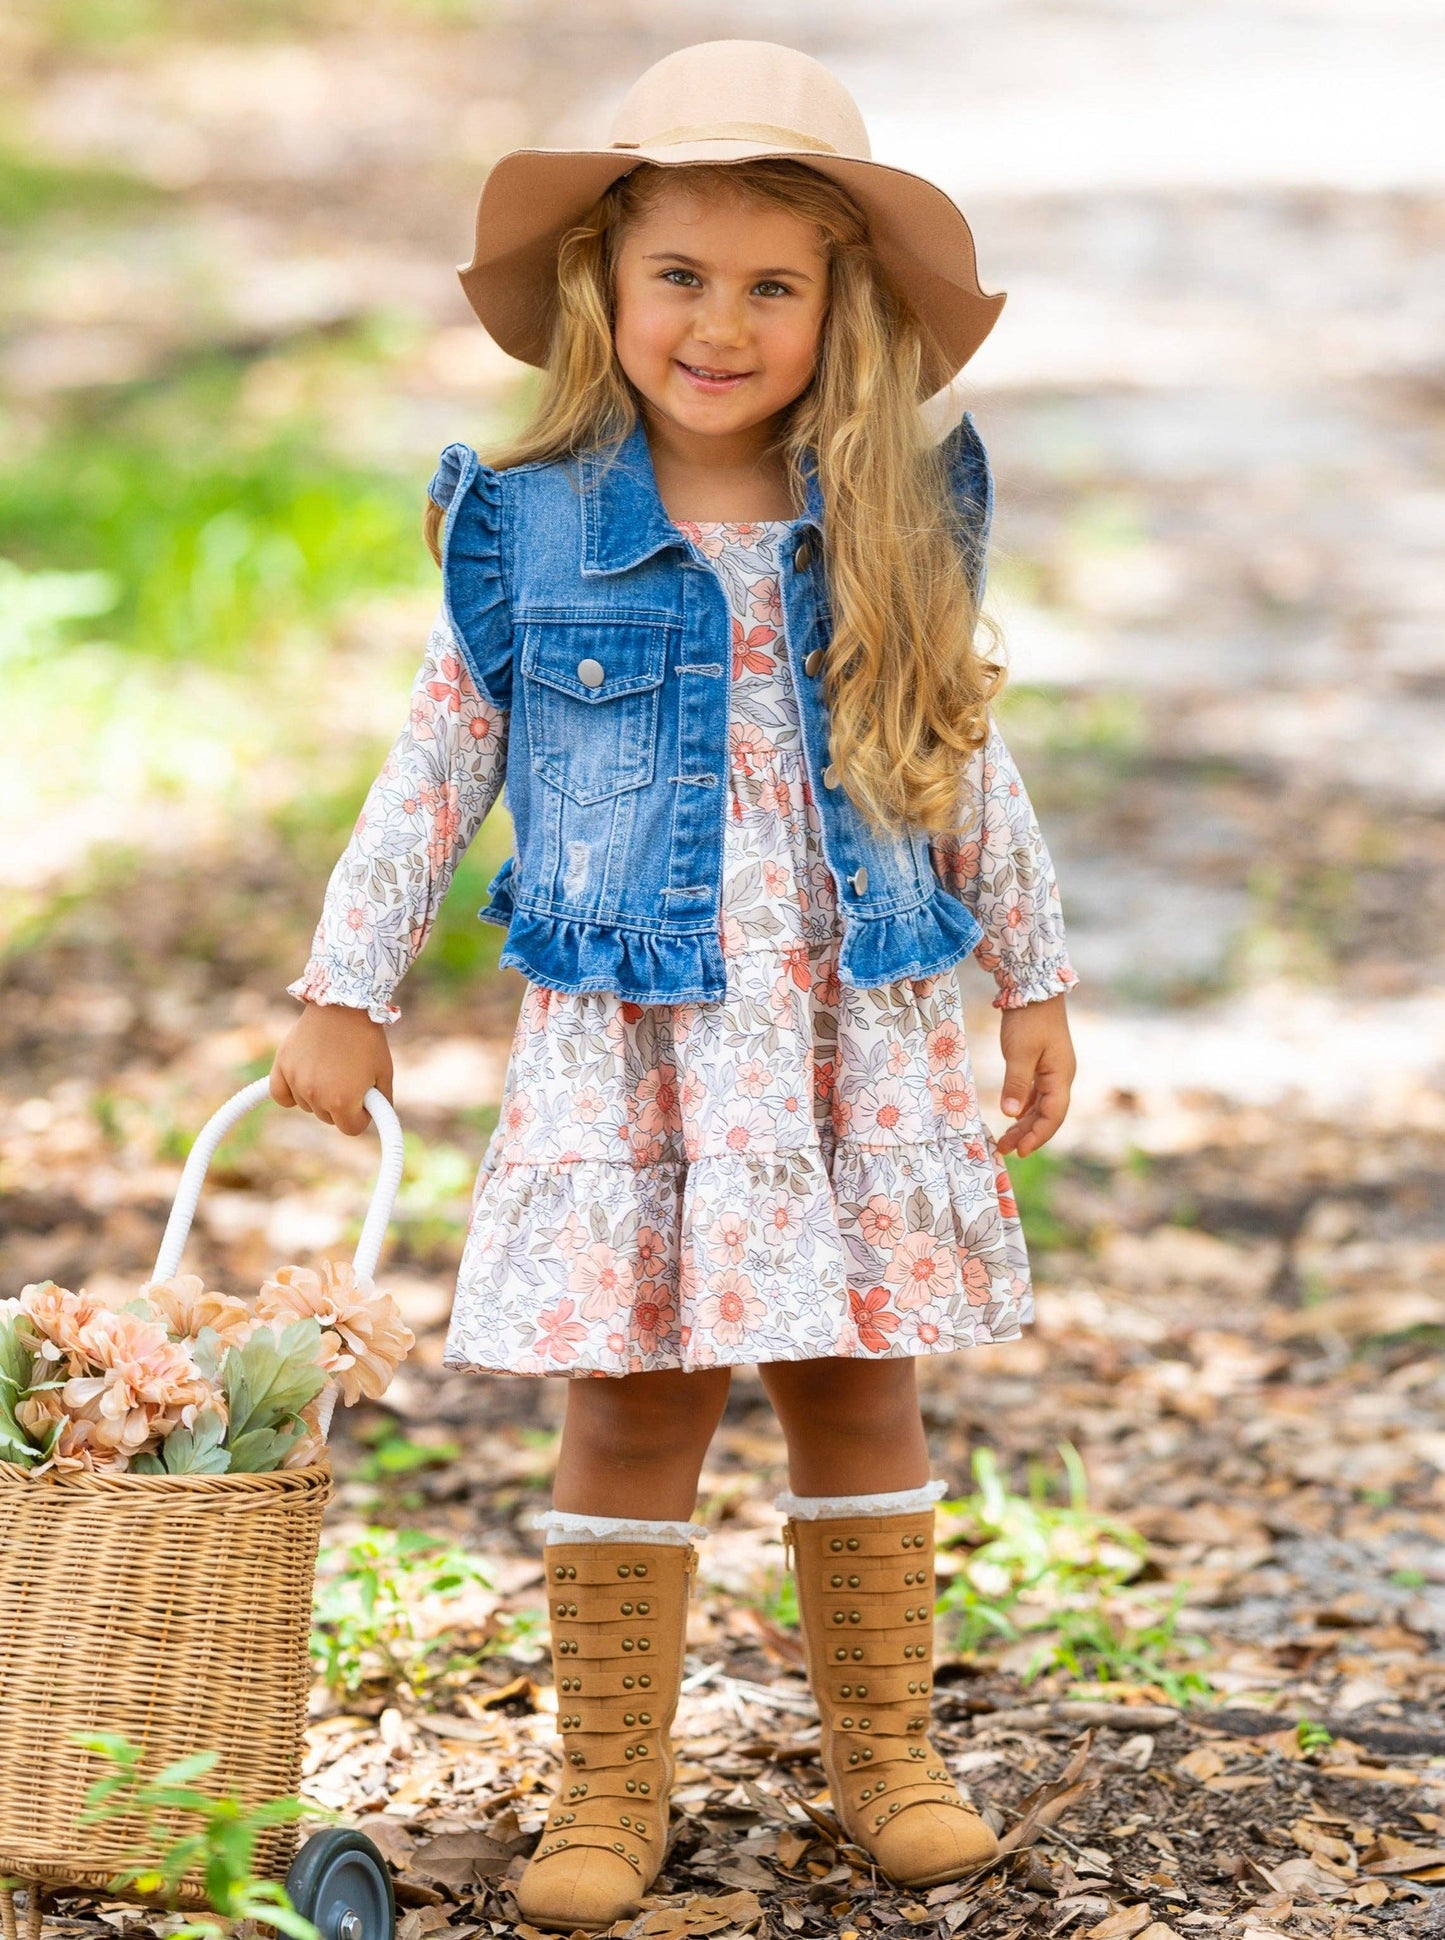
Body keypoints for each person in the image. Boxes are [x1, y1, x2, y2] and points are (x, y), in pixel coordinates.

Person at [271, 37, 1078, 1933]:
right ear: (607, 291)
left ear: (840, 307)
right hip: (631, 1051)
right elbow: (436, 763)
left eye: (770, 284)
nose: (720, 322)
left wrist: (1026, 976)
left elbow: (958, 746)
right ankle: (606, 1793)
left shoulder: (884, 511)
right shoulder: (531, 528)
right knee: (633, 1403)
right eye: (680, 278)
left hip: (842, 1035)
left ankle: (887, 1758)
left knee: (852, 1380)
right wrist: (345, 981)